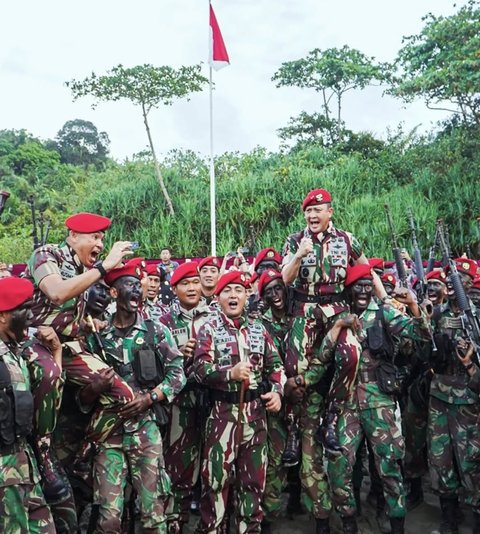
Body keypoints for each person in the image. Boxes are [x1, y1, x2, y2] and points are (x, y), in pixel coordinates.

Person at [306, 264, 432, 534]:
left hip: (380, 404)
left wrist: (414, 307)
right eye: (357, 286)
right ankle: (349, 520)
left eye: (367, 285)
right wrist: (340, 325)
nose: (363, 291)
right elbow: (323, 354)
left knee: (389, 466)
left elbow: (419, 335)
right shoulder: (338, 317)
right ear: (348, 290)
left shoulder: (384, 313)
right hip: (346, 405)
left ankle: (397, 522)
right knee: (339, 466)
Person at [22, 212, 136, 484]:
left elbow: (68, 307)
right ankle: (44, 452)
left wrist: (85, 321)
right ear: (73, 236)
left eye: (102, 240)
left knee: (122, 394)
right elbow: (57, 293)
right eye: (95, 237)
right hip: (35, 340)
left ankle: (83, 455)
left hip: (70, 345)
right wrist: (104, 267)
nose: (99, 245)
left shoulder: (86, 268)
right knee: (50, 374)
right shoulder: (47, 255)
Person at [87, 260, 186, 532]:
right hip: (109, 435)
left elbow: (178, 375)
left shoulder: (156, 331)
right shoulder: (96, 336)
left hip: (146, 431)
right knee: (108, 518)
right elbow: (80, 391)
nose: (136, 291)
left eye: (137, 286)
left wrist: (151, 397)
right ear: (114, 293)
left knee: (153, 512)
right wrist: (94, 388)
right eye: (129, 285)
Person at [193, 271, 285, 534]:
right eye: (227, 291)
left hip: (255, 418)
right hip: (222, 416)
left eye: (238, 290)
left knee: (253, 483)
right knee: (215, 484)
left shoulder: (258, 329)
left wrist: (277, 391)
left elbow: (276, 367)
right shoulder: (208, 328)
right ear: (218, 296)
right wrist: (228, 374)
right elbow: (198, 369)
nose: (233, 296)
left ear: (247, 295)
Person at [159, 262, 217, 533]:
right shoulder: (164, 323)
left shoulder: (216, 316)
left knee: (214, 469)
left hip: (214, 403)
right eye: (186, 284)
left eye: (196, 283)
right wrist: (177, 353)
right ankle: (176, 524)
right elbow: (154, 365)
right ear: (174, 289)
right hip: (180, 405)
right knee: (179, 469)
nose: (192, 288)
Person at [0, 276, 56, 533]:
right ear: (3, 316)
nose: (31, 316)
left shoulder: (16, 353)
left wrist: (56, 352)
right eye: (24, 309)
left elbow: (48, 393)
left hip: (25, 465)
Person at [428, 258, 480, 534]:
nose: (452, 281)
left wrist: (470, 362)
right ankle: (449, 519)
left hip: (469, 401)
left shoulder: (476, 317)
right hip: (439, 397)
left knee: (471, 461)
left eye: (460, 277)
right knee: (440, 460)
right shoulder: (437, 313)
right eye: (450, 277)